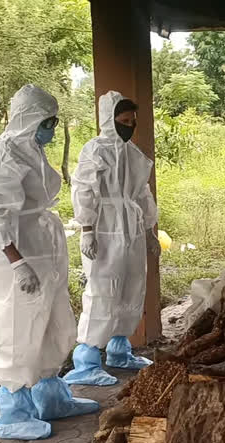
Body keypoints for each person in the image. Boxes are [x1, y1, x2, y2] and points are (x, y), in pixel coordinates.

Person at [0, 85, 99, 440]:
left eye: (54, 121)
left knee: (54, 323)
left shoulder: (31, 150)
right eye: (47, 121)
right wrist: (16, 262)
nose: (52, 128)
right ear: (30, 119)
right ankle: (13, 411)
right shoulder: (4, 155)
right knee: (19, 327)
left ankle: (50, 395)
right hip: (19, 254)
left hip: (43, 250)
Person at [63, 91, 160, 386]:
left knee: (132, 285)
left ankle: (119, 350)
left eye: (133, 121)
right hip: (105, 228)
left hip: (130, 228)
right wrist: (87, 229)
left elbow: (142, 194)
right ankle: (86, 360)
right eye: (124, 120)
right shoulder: (95, 150)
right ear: (109, 119)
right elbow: (83, 189)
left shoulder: (132, 153)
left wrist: (149, 231)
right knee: (103, 289)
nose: (130, 126)